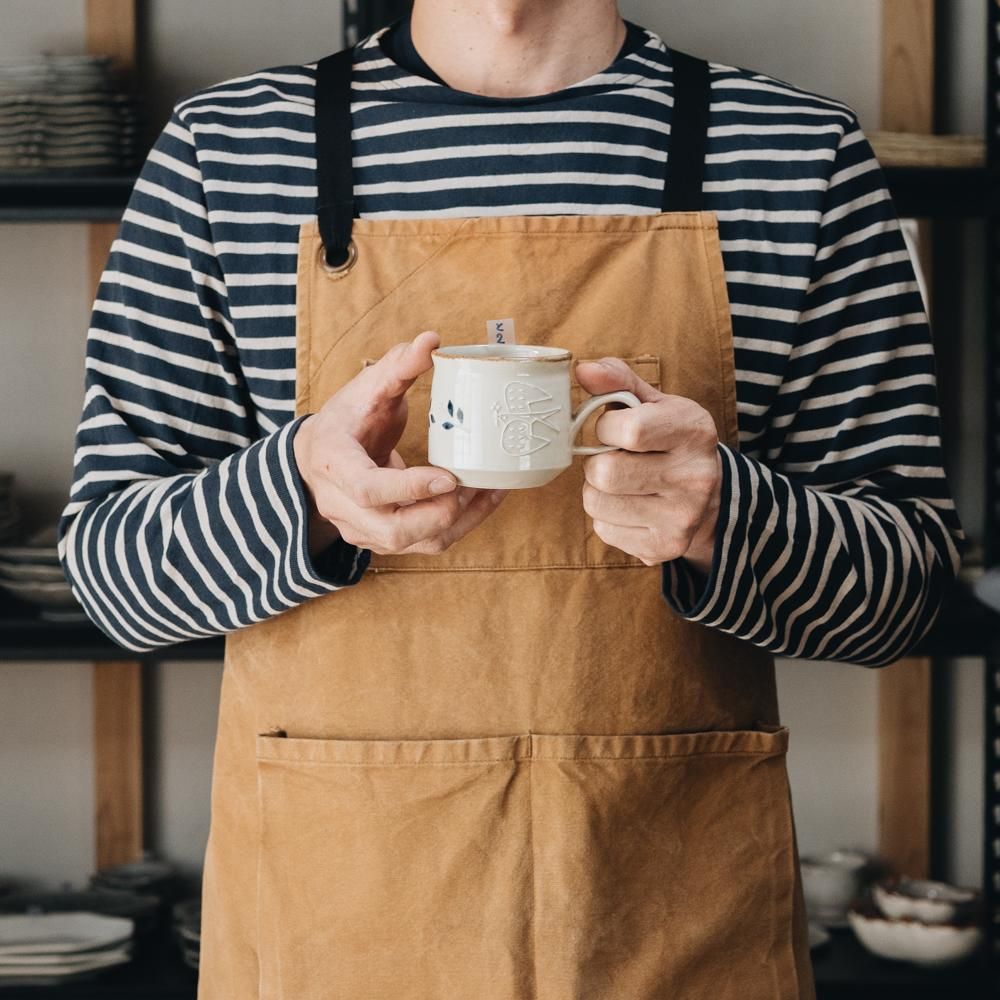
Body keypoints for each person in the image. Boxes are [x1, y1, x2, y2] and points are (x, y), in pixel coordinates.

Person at [58, 1, 964, 997]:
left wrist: (726, 519)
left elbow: (907, 591)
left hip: (675, 917)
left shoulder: (794, 156)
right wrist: (302, 493)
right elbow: (114, 577)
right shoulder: (225, 155)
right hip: (336, 931)